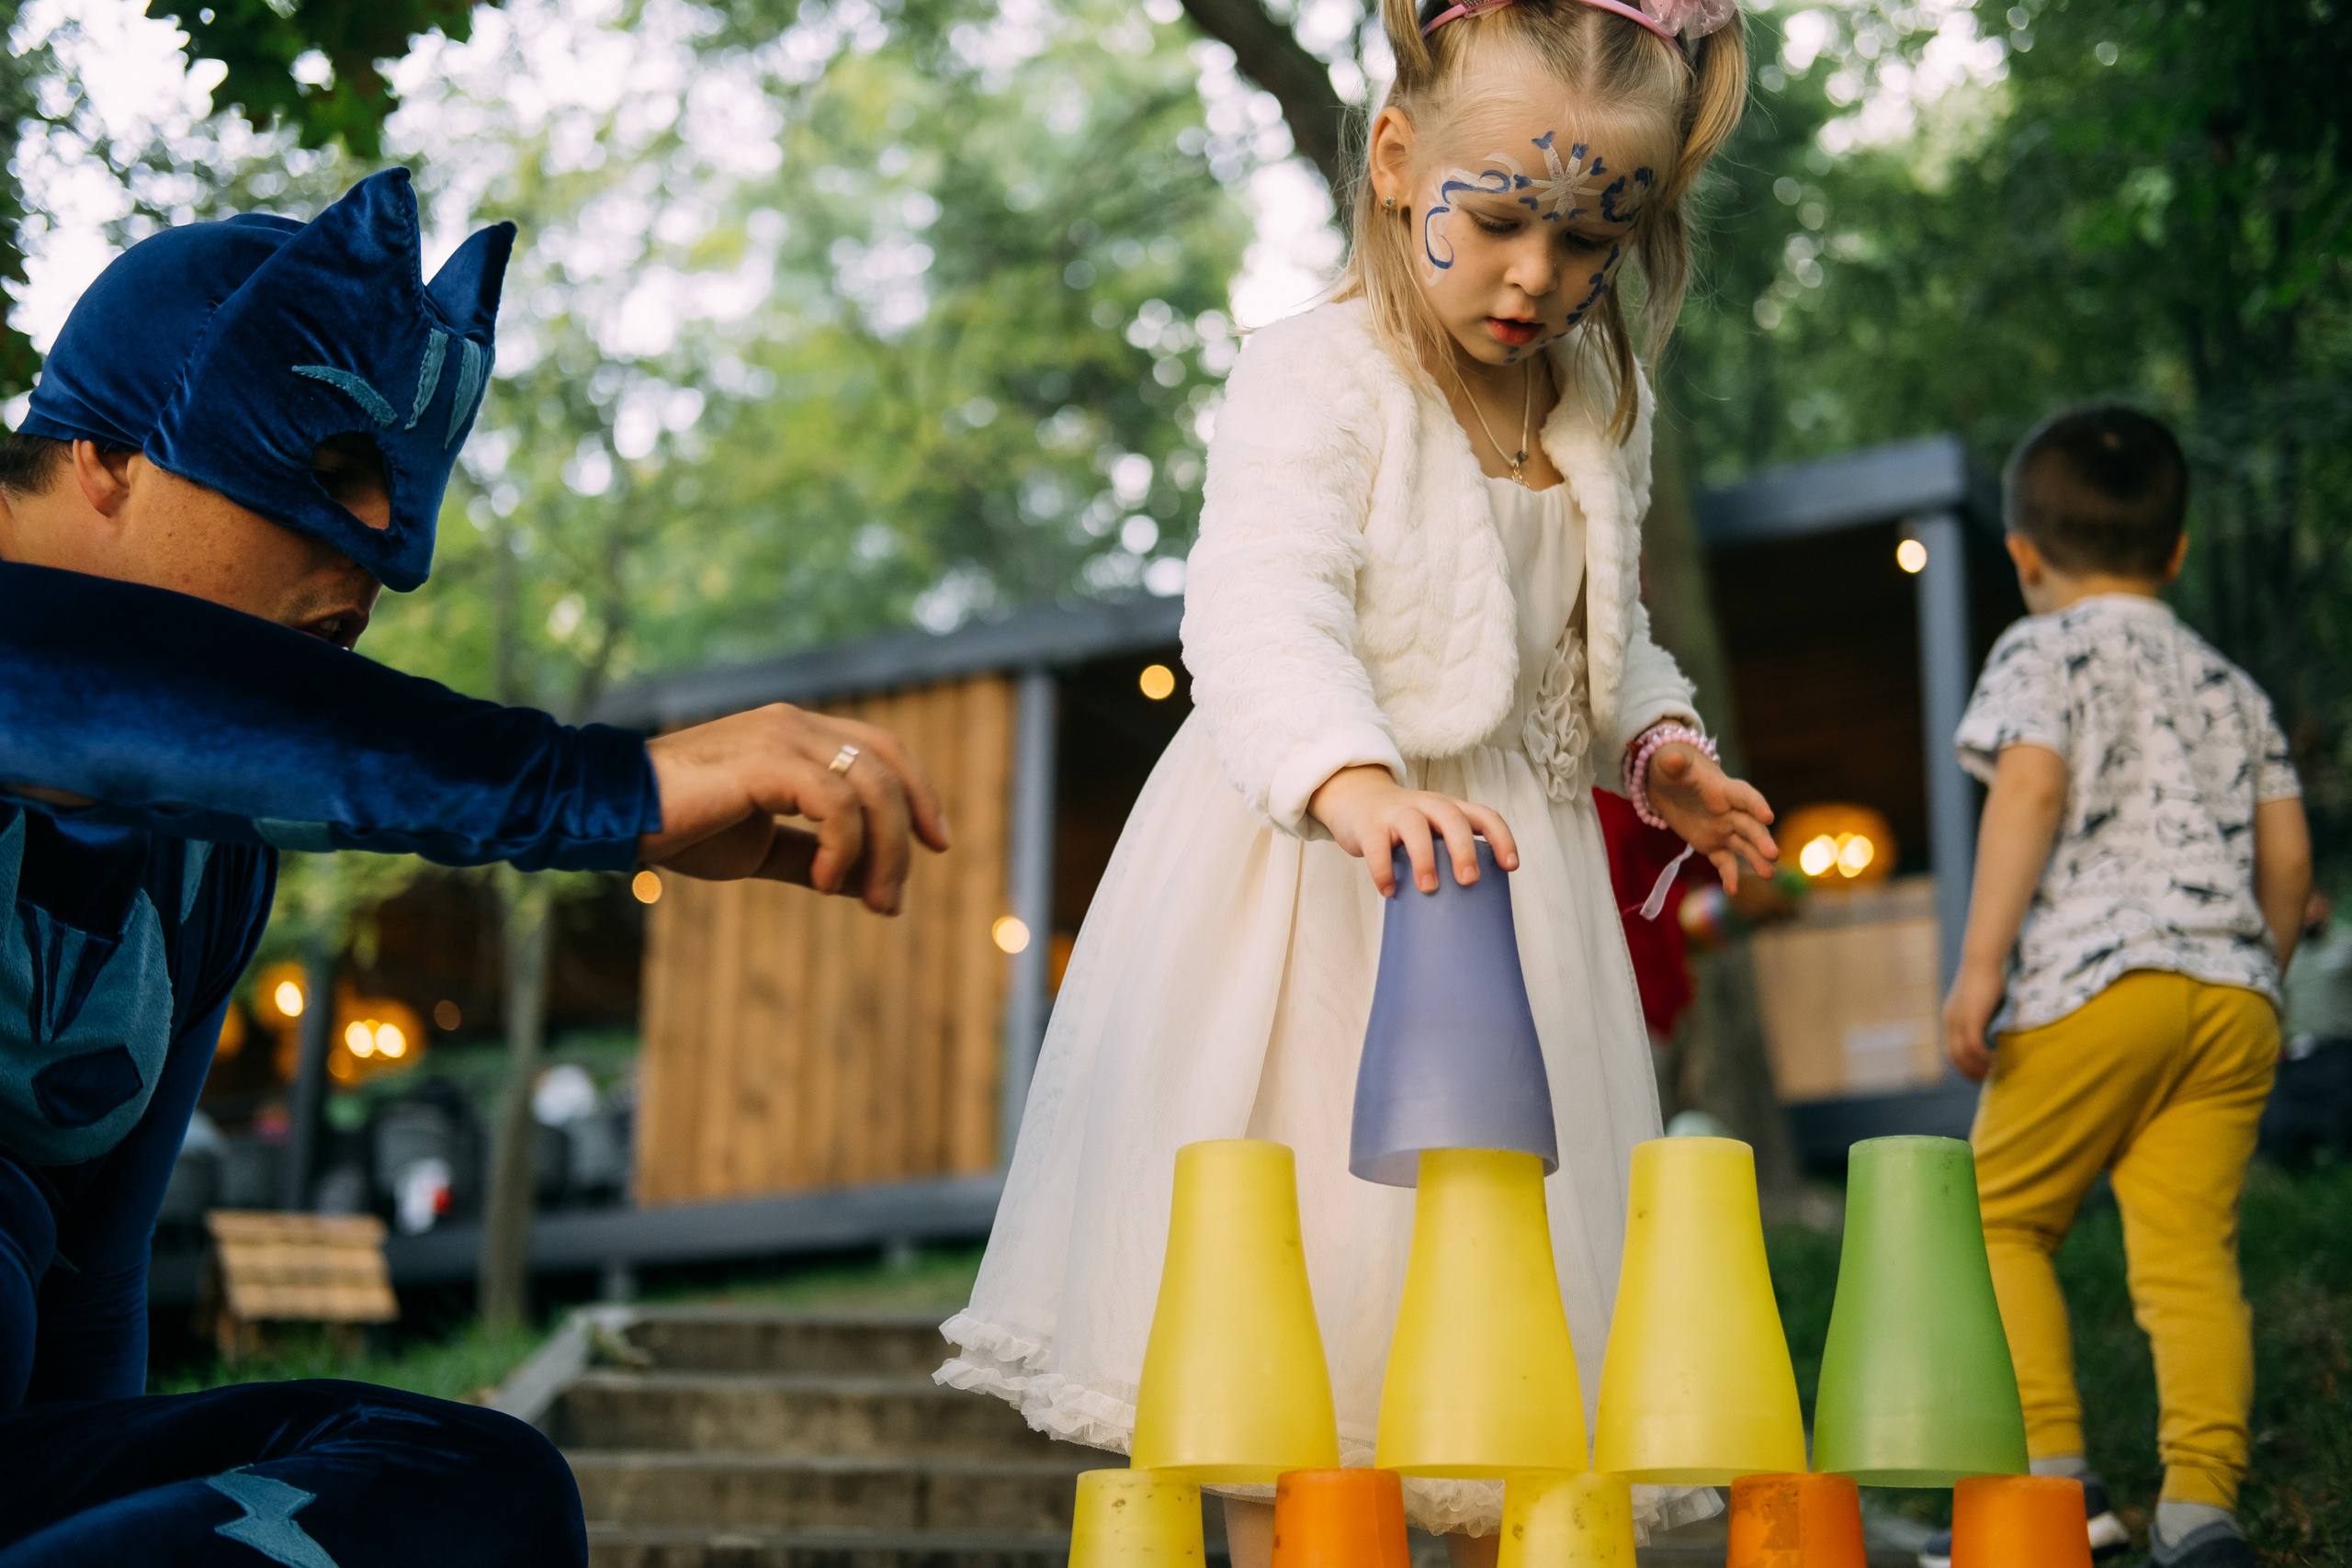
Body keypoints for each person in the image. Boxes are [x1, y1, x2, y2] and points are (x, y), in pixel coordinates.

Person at [0, 169, 946, 1566]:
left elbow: (92, 1294)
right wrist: (607, 789)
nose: (384, 547)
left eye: (405, 488)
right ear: (108, 458)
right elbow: (99, 688)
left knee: (471, 1478)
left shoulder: (206, 865)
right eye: (327, 468)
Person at [934, 0, 1771, 1560]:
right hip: (1317, 881)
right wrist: (1357, 784)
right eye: (1504, 216)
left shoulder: (1600, 405)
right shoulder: (1318, 375)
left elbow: (1602, 635)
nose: (1543, 276)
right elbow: (1262, 611)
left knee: (1494, 1325)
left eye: (1599, 238)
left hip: (1513, 903)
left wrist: (1661, 751)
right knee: (1300, 1305)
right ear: (1399, 161)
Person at [1932, 406, 2311, 1568]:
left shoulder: (2040, 652)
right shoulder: (2228, 681)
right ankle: (2200, 1509)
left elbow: (2031, 790)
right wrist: (2255, 964)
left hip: (2094, 984)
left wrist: (1981, 964)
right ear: (2178, 553)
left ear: (2024, 556)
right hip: (2231, 994)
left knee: (1994, 1218)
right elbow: (2287, 855)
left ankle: (2055, 1497)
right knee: (2190, 1259)